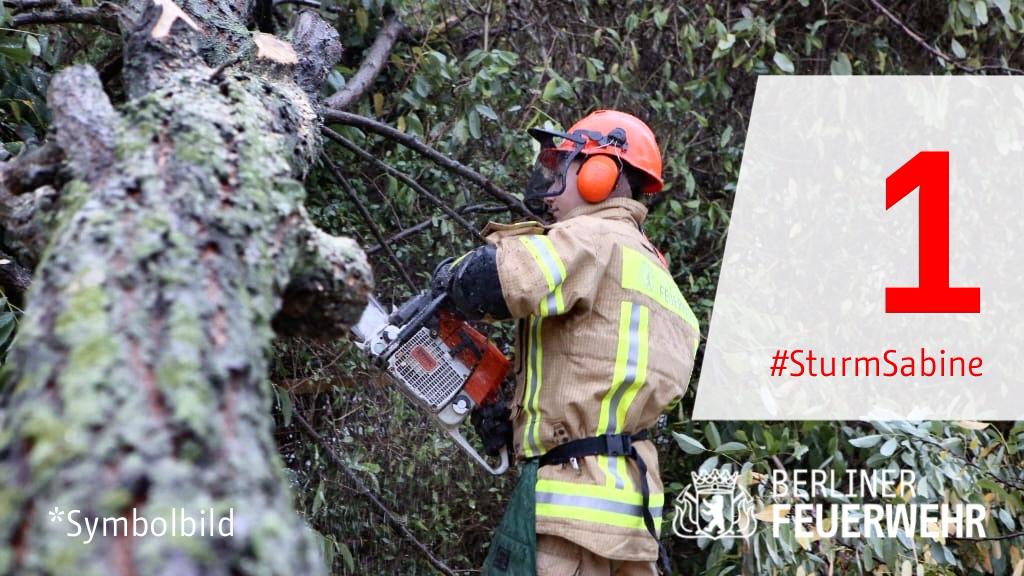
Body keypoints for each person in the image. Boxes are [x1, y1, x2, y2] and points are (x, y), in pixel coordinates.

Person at [432, 110, 699, 575]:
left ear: (602, 172)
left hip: (571, 515)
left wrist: (451, 277)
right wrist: (514, 413)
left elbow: (496, 280)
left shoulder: (592, 238)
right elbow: (594, 372)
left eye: (565, 166)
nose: (551, 183)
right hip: (633, 520)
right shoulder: (658, 276)